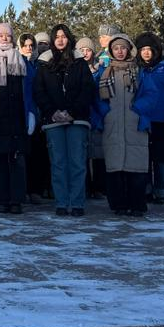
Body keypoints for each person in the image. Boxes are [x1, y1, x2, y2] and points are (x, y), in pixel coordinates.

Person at [33, 25, 96, 217]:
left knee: (77, 162)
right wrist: (52, 112)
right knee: (58, 163)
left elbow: (87, 90)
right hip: (53, 121)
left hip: (77, 120)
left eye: (64, 36)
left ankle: (77, 202)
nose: (60, 40)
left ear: (69, 38)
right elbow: (39, 91)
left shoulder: (80, 63)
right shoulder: (44, 63)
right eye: (57, 37)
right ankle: (61, 202)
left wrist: (72, 112)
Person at [0, 23, 36, 214]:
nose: (4, 38)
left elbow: (29, 90)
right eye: (1, 35)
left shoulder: (21, 60)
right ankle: (2, 199)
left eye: (8, 36)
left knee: (18, 162)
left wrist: (30, 114)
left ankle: (16, 199)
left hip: (18, 117)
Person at [98, 33, 148, 217]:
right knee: (115, 167)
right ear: (111, 51)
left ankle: (137, 204)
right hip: (112, 124)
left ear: (129, 49)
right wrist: (104, 113)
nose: (119, 51)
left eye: (123, 48)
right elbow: (96, 99)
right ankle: (118, 204)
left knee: (136, 167)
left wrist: (139, 110)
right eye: (116, 48)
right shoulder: (104, 72)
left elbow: (150, 94)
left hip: (135, 125)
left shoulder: (139, 71)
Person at [134, 32, 164, 205]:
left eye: (149, 49)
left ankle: (161, 190)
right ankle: (145, 188)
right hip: (142, 118)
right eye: (143, 49)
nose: (146, 53)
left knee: (160, 158)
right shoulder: (136, 69)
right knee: (143, 156)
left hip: (162, 120)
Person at [76, 37, 108, 199]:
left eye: (88, 50)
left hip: (98, 117)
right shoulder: (75, 71)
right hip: (82, 116)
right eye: (81, 50)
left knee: (99, 154)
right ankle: (87, 187)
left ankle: (100, 187)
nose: (85, 53)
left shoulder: (100, 70)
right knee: (83, 154)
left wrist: (102, 114)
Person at [20, 32, 50, 204]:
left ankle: (36, 189)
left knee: (39, 155)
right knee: (25, 154)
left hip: (40, 114)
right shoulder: (16, 63)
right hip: (22, 114)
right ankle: (24, 188)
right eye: (26, 45)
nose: (29, 48)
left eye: (32, 45)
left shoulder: (40, 65)